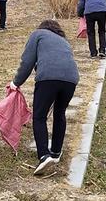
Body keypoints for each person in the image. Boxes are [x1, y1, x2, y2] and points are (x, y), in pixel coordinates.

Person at [10, 20, 80, 175]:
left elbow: (27, 61)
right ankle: (55, 152)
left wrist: (16, 82)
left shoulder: (38, 34)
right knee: (60, 113)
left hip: (48, 78)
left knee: (39, 117)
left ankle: (43, 155)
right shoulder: (63, 41)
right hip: (71, 80)